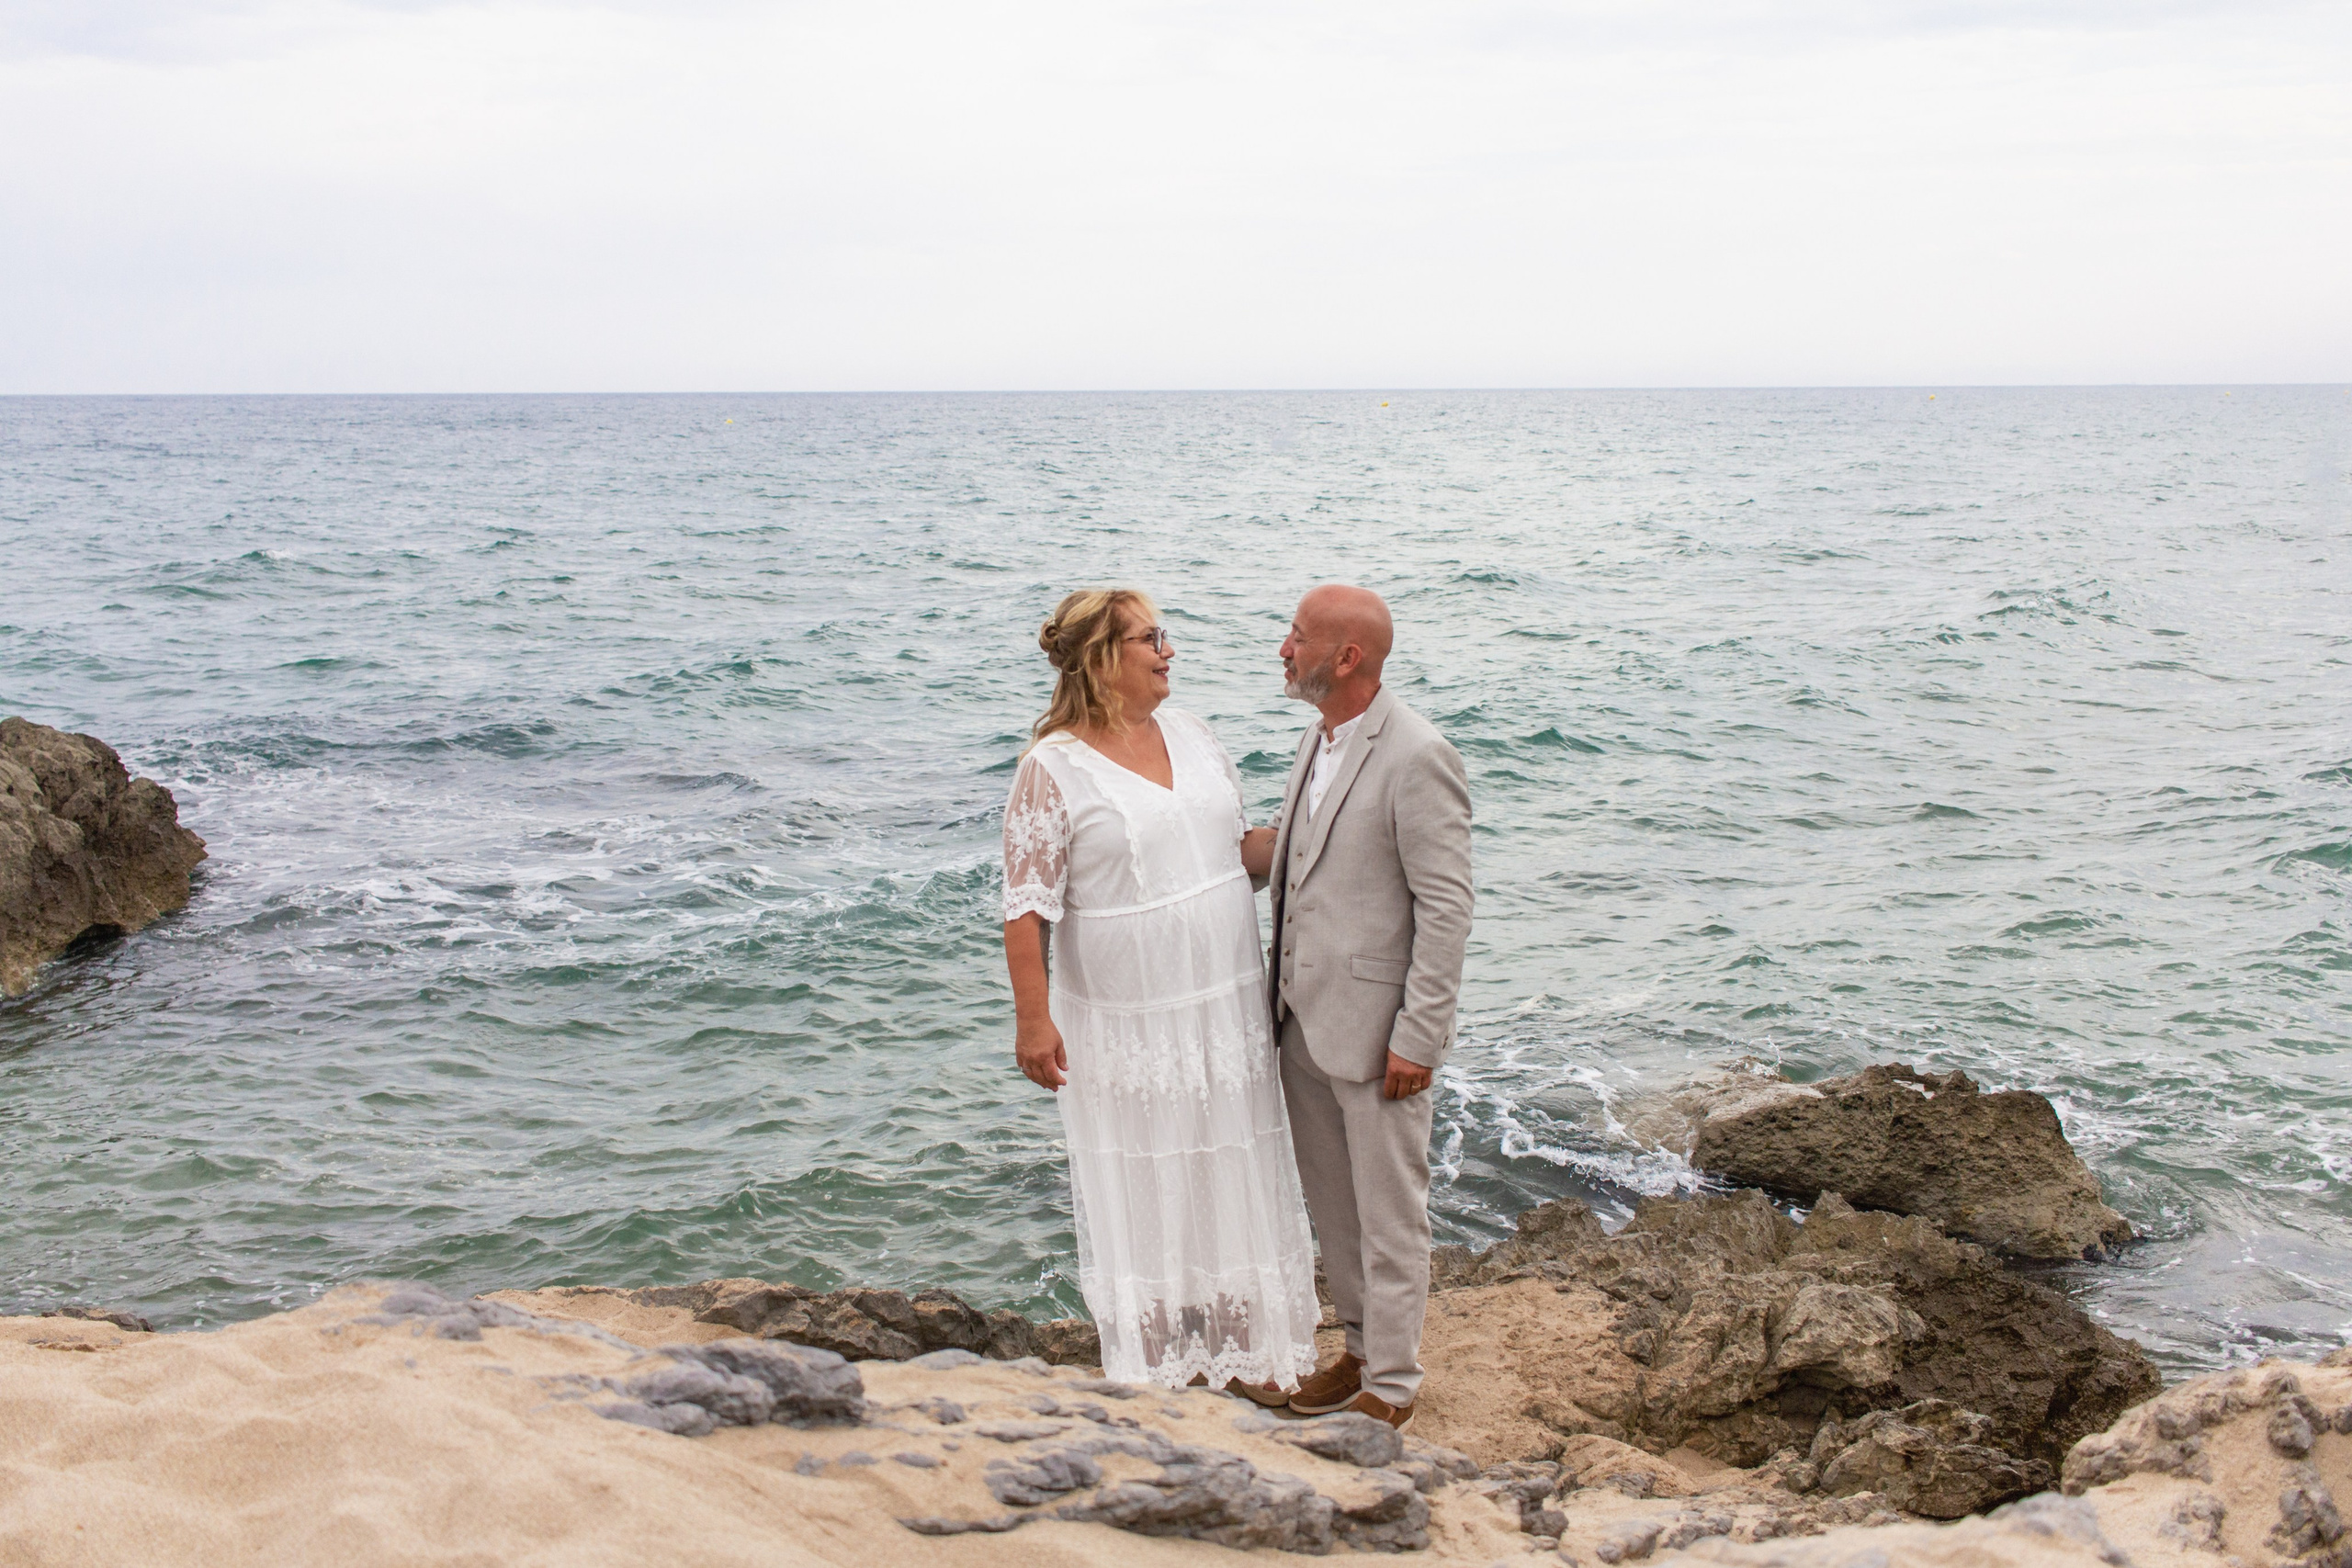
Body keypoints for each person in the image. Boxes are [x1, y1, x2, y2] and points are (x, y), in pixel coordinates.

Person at [1000, 588, 1318, 1395]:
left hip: (1222, 1003)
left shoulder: (1194, 735)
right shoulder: (1051, 767)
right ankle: (1162, 1369)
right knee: (1147, 1180)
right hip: (1128, 1024)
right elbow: (1027, 907)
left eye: (1162, 635)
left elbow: (1238, 849)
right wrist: (1033, 1022)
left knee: (1230, 1166)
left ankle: (1251, 1357)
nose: (1167, 650)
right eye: (1150, 638)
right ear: (1104, 657)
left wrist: (1324, 839)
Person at [1264, 584, 1473, 1432]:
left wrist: (1417, 1036)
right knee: (1334, 1207)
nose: (1282, 647)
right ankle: (1354, 1347)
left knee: (1392, 1213)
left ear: (1345, 657)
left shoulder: (1418, 753)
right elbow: (1296, 863)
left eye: (1297, 635)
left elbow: (1447, 907)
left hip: (1382, 1033)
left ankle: (1391, 1381)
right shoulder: (1317, 742)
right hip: (1300, 1019)